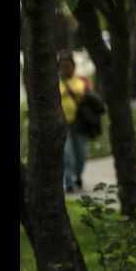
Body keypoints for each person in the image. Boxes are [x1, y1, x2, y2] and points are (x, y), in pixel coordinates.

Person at [58, 50, 92, 193]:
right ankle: (69, 180)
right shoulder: (55, 83)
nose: (66, 68)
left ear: (73, 66)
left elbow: (91, 98)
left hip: (80, 122)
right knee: (67, 153)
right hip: (63, 123)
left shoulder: (82, 81)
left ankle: (78, 174)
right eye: (63, 66)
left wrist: (80, 94)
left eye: (68, 65)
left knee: (81, 154)